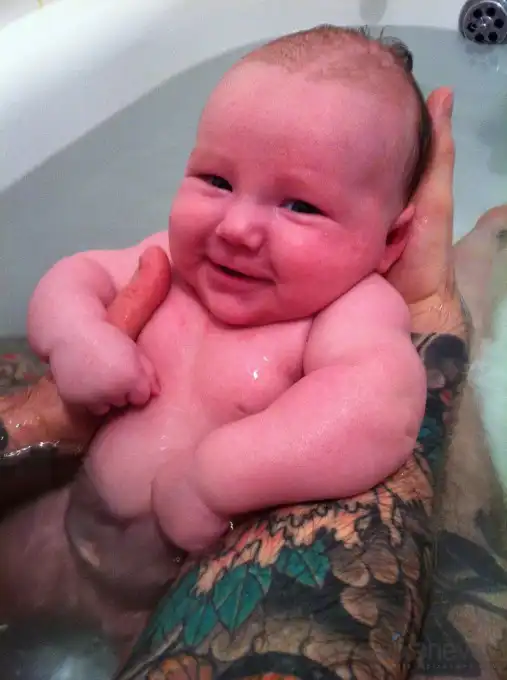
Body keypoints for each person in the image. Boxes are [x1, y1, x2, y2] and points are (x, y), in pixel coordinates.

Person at [1, 81, 506, 678]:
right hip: (56, 537)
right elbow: (75, 274)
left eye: (301, 206)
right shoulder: (170, 260)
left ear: (389, 240)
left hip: (158, 600)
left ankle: (467, 271)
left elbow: (380, 408)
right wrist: (78, 338)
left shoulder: (350, 308)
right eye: (216, 180)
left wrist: (219, 477)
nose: (236, 226)